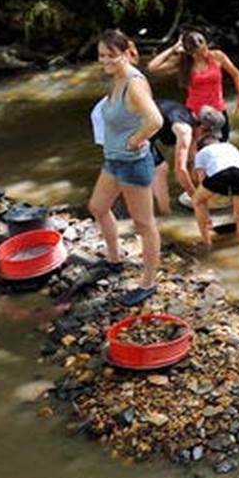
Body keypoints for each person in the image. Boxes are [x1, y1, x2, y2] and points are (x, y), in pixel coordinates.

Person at [89, 29, 164, 306]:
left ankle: (148, 283)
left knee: (144, 224)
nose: (105, 61)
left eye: (110, 55)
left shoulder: (134, 83)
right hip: (113, 161)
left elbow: (156, 120)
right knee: (97, 207)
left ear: (125, 53)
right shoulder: (117, 79)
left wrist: (135, 139)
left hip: (133, 164)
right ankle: (114, 259)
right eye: (101, 56)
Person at [149, 31, 239, 140]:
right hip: (195, 113)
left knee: (223, 142)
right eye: (200, 51)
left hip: (218, 110)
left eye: (205, 47)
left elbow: (236, 74)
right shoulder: (183, 63)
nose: (205, 52)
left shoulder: (217, 56)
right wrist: (173, 48)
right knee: (198, 146)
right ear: (191, 52)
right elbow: (152, 67)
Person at [191, 114, 239, 246]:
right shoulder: (230, 146)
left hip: (220, 173)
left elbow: (202, 181)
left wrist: (207, 212)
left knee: (197, 201)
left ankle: (207, 242)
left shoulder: (201, 154)